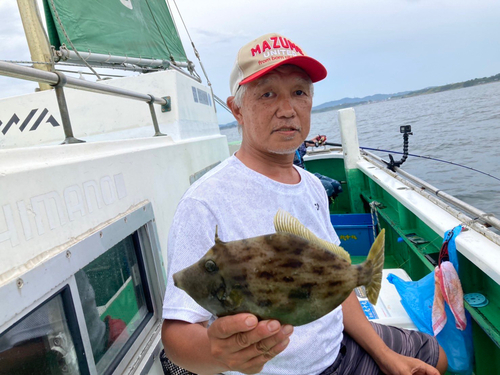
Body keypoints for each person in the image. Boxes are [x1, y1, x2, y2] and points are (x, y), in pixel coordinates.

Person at [161, 33, 448, 375]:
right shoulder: (205, 202)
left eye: (299, 92)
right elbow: (176, 335)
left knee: (437, 359)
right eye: (267, 94)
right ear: (236, 108)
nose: (287, 110)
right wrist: (219, 354)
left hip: (336, 342)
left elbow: (334, 283)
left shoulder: (310, 185)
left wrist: (385, 356)